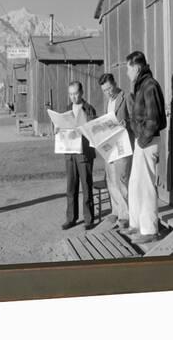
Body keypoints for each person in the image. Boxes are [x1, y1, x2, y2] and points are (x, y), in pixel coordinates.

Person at [123, 51, 167, 243]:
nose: (126, 72)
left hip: (147, 143)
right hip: (142, 141)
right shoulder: (141, 86)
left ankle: (149, 231)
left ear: (137, 68)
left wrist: (142, 140)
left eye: (128, 68)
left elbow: (154, 119)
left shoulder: (150, 85)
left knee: (147, 186)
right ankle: (136, 225)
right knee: (135, 185)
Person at [58, 81, 97, 231]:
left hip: (84, 153)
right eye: (71, 94)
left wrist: (85, 128)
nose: (73, 97)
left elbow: (94, 130)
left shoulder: (89, 109)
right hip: (70, 153)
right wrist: (57, 128)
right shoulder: (67, 110)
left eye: (75, 93)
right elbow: (61, 127)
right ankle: (71, 218)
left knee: (86, 186)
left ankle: (88, 219)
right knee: (71, 187)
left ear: (81, 93)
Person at [98, 73, 134, 230]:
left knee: (122, 181)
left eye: (109, 89)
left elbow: (137, 118)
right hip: (109, 146)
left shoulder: (126, 97)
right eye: (104, 91)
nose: (108, 93)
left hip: (123, 146)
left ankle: (126, 215)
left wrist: (128, 123)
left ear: (115, 83)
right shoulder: (107, 101)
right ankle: (116, 210)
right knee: (111, 180)